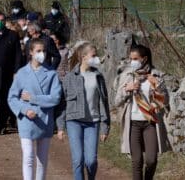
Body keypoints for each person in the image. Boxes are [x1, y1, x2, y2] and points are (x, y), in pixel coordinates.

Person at [8, 38, 62, 180]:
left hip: (45, 120)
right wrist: (25, 110)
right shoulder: (21, 73)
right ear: (31, 52)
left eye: (44, 51)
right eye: (38, 51)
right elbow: (12, 98)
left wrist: (33, 98)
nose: (42, 54)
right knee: (28, 157)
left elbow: (56, 98)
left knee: (42, 159)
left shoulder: (52, 74)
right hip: (26, 121)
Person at [114, 44, 169, 180]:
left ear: (144, 59)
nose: (132, 62)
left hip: (150, 123)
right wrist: (127, 90)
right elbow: (116, 102)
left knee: (151, 160)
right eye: (130, 58)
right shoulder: (127, 76)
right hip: (133, 124)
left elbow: (166, 101)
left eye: (135, 58)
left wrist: (157, 86)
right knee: (136, 161)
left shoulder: (156, 75)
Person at [57, 42, 110, 180]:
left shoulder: (98, 76)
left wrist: (105, 127)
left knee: (91, 160)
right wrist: (60, 127)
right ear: (83, 56)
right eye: (93, 55)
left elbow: (104, 103)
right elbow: (62, 103)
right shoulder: (69, 77)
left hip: (93, 122)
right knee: (77, 160)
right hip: (74, 121)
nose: (96, 58)